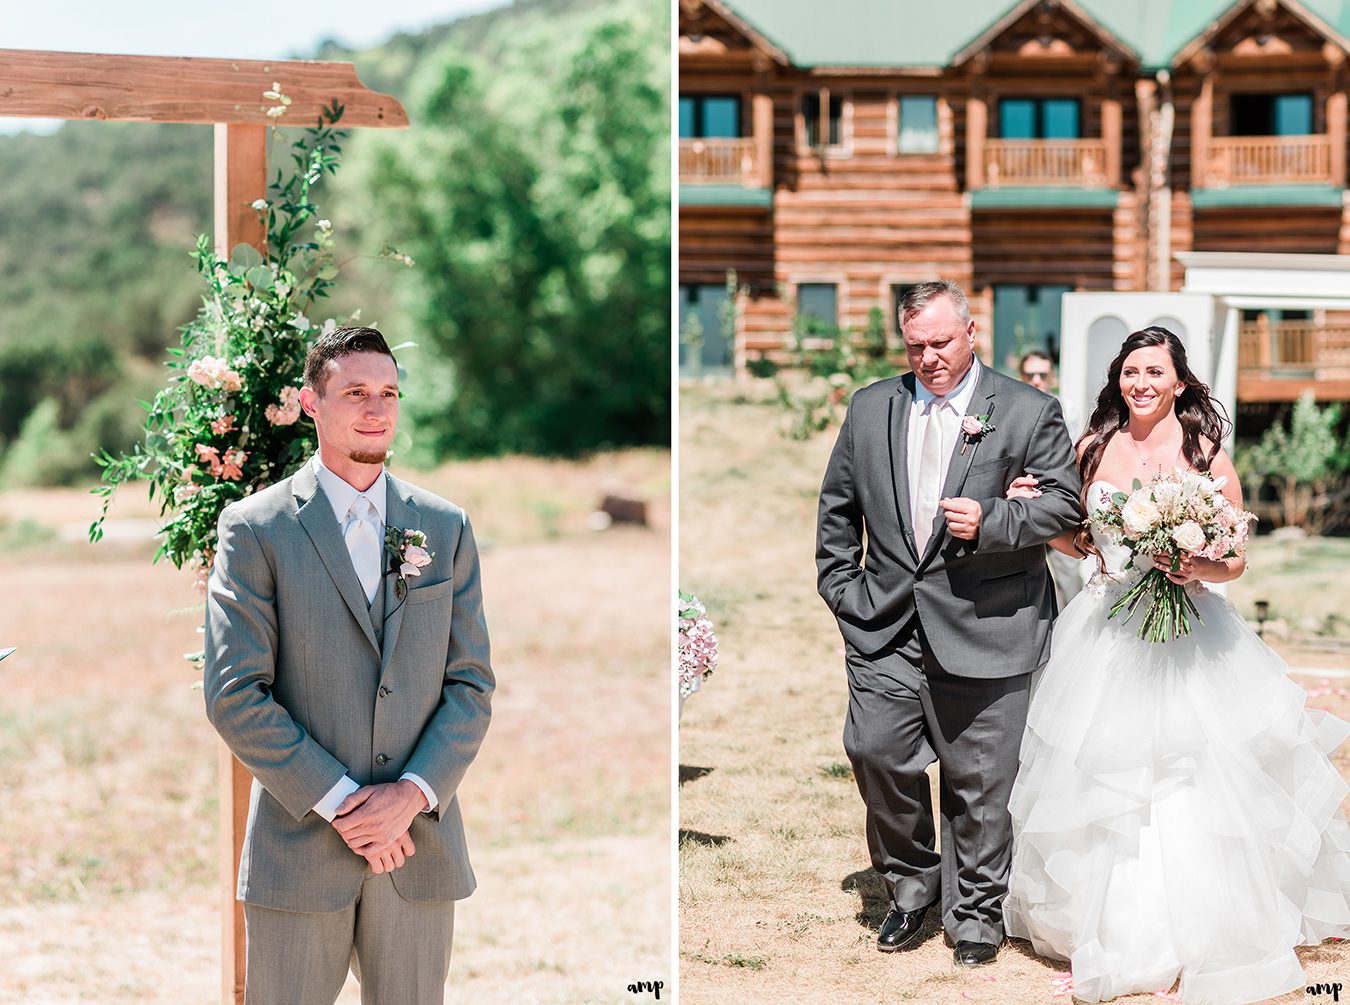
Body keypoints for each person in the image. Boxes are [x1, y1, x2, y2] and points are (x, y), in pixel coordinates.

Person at [1003, 326, 1350, 1003]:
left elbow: (1237, 557)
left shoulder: (1207, 453)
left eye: (1154, 371)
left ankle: (1207, 927)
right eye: (1131, 370)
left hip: (1192, 633)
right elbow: (1080, 540)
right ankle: (1115, 923)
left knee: (1190, 776)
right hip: (1104, 630)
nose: (1140, 382)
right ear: (1118, 378)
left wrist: (1197, 565)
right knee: (1108, 776)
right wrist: (1036, 515)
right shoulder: (1091, 447)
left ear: (1180, 381)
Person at [203, 326, 494, 1005]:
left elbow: (471, 684)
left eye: (389, 392)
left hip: (417, 846)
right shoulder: (255, 529)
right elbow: (234, 693)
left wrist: (410, 795)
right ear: (311, 402)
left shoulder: (443, 526)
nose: (377, 408)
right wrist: (344, 805)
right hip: (300, 849)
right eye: (357, 391)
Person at [815, 280, 1082, 966]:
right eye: (915, 346)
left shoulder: (1027, 409)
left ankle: (974, 915)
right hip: (885, 625)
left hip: (990, 622)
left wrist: (994, 520)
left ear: (971, 332)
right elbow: (837, 512)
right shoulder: (871, 406)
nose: (929, 357)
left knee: (980, 781)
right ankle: (912, 882)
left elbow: (1064, 508)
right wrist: (845, 593)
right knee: (875, 750)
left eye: (940, 342)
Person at [1017, 350, 1091, 609]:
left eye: (1043, 374)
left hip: (1059, 507)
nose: (1037, 380)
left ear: (1052, 377)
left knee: (1069, 577)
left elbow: (1074, 455)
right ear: (1021, 376)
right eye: (1030, 374)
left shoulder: (1066, 408)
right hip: (1022, 506)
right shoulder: (1013, 409)